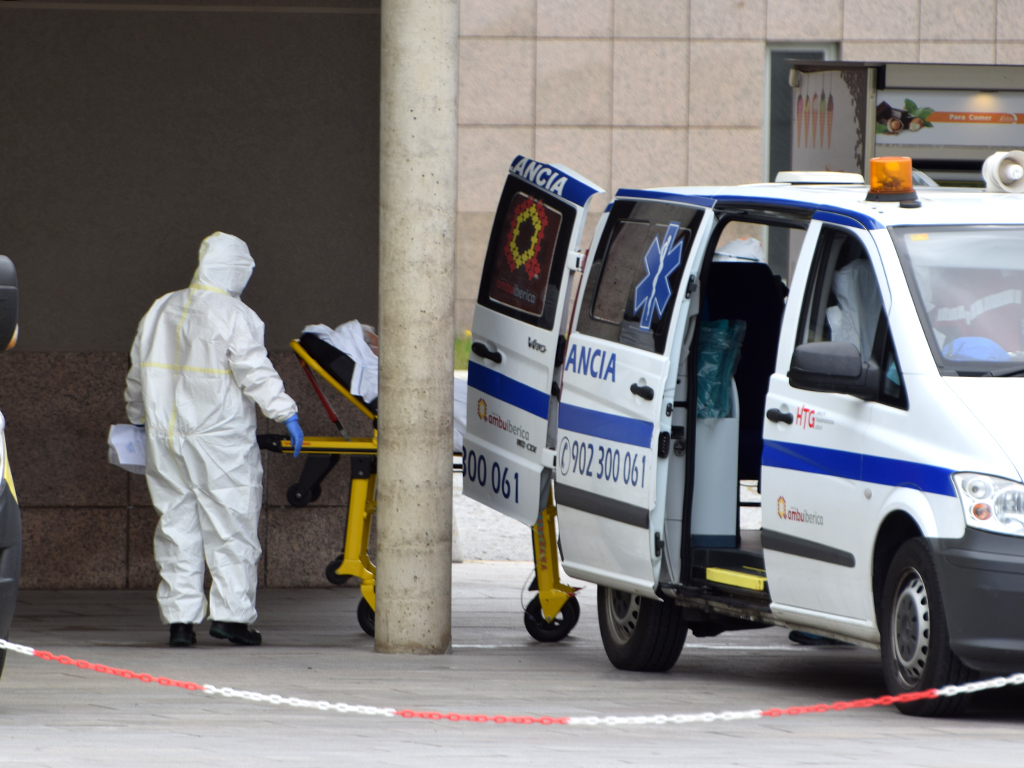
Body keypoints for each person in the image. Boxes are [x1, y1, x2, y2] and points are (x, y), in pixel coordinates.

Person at [125, 232, 304, 648]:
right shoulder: (235, 313)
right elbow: (253, 371)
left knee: (176, 525)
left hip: (164, 437)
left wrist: (136, 416)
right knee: (232, 526)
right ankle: (231, 618)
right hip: (218, 437)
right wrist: (285, 412)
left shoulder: (161, 308)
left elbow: (138, 371)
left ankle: (180, 622)